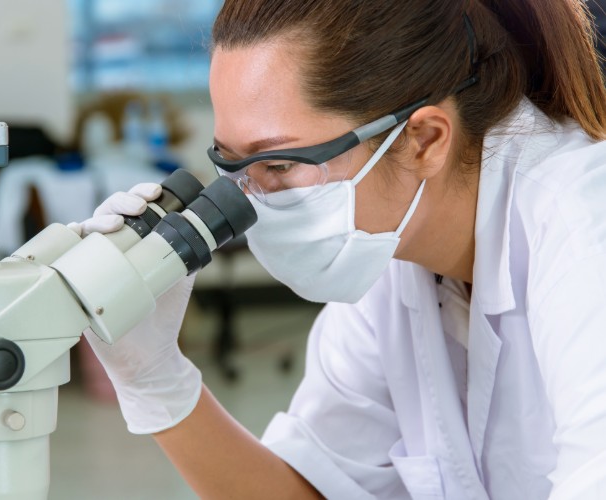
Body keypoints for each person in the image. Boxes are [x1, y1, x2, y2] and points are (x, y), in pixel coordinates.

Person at [66, 0, 606, 498]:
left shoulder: (585, 230)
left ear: (424, 140)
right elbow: (314, 489)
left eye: (279, 165)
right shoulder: (394, 251)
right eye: (232, 166)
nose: (253, 201)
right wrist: (155, 379)